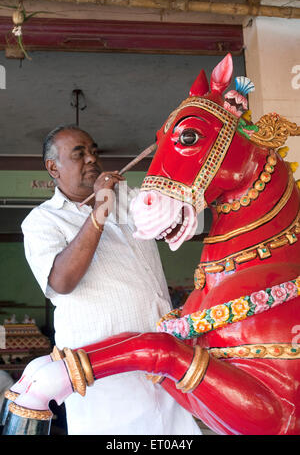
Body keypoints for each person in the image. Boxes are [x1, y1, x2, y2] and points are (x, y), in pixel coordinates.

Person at [21, 125, 201, 436]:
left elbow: (182, 220)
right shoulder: (42, 220)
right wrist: (100, 208)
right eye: (79, 154)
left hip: (163, 359)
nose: (92, 159)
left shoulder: (128, 200)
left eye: (94, 151)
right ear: (53, 167)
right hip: (104, 373)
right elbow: (62, 282)